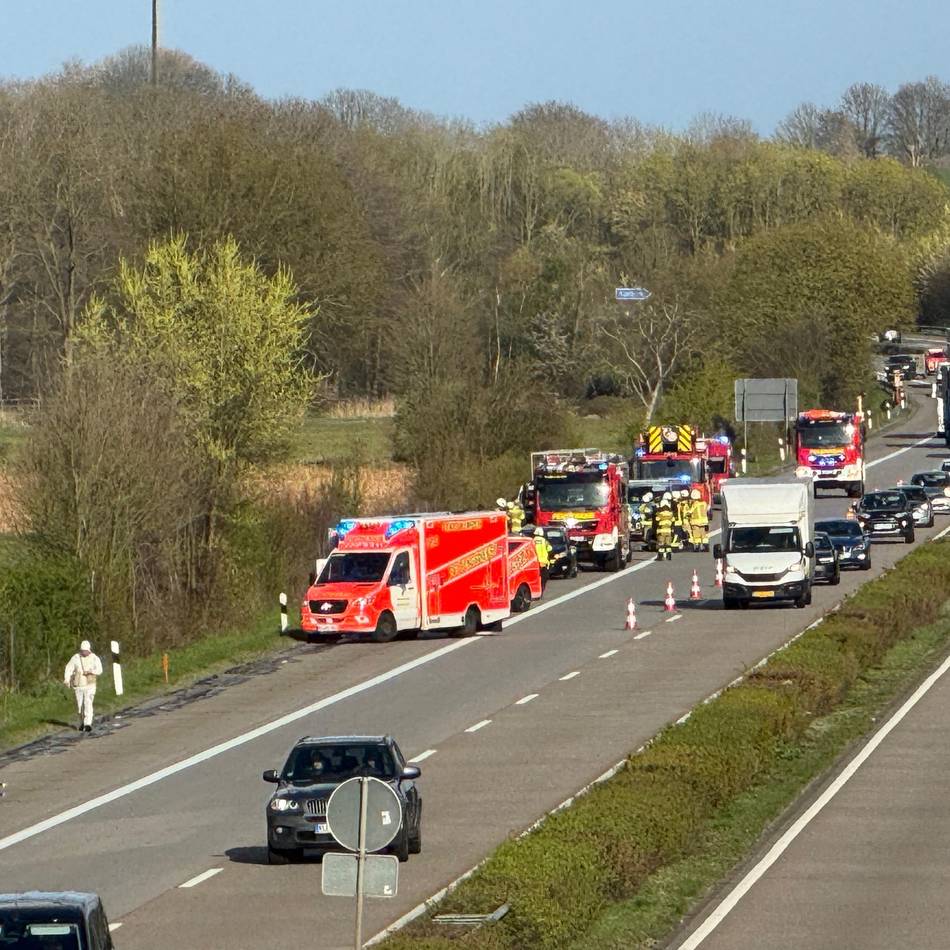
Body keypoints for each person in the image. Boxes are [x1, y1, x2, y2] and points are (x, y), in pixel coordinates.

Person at [64, 640, 103, 733]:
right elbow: (69, 668)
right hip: (78, 685)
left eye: (85, 651)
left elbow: (100, 670)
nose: (84, 652)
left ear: (89, 650)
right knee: (79, 705)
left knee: (88, 703)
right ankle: (81, 722)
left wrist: (90, 672)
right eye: (82, 650)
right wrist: (67, 679)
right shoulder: (76, 658)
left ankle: (88, 723)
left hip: (90, 685)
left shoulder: (94, 658)